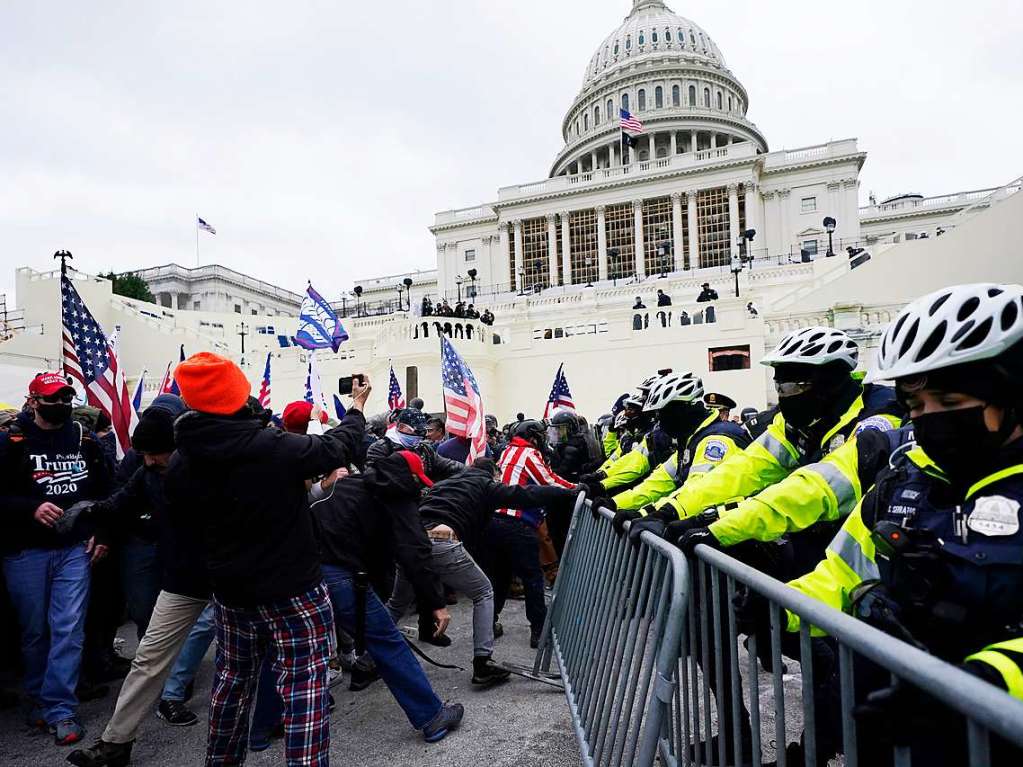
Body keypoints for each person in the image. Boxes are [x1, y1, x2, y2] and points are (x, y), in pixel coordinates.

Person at [767, 283, 1023, 765]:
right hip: (905, 726)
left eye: (948, 404)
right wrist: (780, 610)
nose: (930, 422)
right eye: (917, 408)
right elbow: (843, 572)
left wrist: (982, 681)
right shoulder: (904, 477)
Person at [165, 353, 370, 766]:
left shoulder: (182, 460)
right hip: (293, 590)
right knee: (305, 688)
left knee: (231, 684)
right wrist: (357, 409)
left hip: (231, 593)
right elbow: (337, 447)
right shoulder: (270, 447)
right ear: (238, 394)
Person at [67, 394, 218, 767]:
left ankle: (273, 719)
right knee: (147, 658)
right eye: (145, 454)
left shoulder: (214, 465)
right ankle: (116, 742)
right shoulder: (148, 471)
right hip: (182, 579)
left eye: (157, 453)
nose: (150, 461)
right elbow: (123, 500)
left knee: (253, 656)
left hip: (229, 576)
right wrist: (91, 512)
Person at [309, 449, 464, 742]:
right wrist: (436, 604)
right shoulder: (397, 497)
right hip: (342, 577)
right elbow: (415, 553)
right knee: (388, 643)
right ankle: (431, 716)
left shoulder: (347, 484)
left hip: (305, 573)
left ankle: (265, 725)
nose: (418, 487)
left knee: (291, 648)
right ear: (406, 479)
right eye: (416, 480)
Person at [388, 456, 577, 684]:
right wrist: (569, 493)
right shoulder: (485, 485)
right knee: (484, 592)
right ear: (494, 474)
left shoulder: (443, 484)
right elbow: (526, 495)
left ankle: (367, 658)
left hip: (409, 544)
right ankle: (483, 663)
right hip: (442, 541)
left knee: (397, 604)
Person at [0, 373, 113, 746]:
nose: (62, 404)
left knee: (68, 628)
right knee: (35, 631)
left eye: (66, 397)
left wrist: (102, 532)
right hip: (25, 552)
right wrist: (30, 508)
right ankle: (36, 696)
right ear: (33, 401)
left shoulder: (85, 441)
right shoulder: (10, 443)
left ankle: (61, 707)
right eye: (53, 398)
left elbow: (106, 494)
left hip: (73, 550)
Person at [599, 374, 749, 525]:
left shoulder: (716, 440)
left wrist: (648, 513)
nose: (659, 421)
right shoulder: (691, 440)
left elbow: (696, 492)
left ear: (680, 410)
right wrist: (614, 502)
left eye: (662, 414)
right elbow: (658, 483)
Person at [485, 420, 576, 648]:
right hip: (518, 522)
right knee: (532, 577)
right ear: (533, 437)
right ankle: (539, 631)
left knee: (500, 577)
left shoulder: (507, 451)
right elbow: (549, 481)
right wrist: (577, 489)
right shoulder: (528, 453)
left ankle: (489, 624)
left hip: (494, 521)